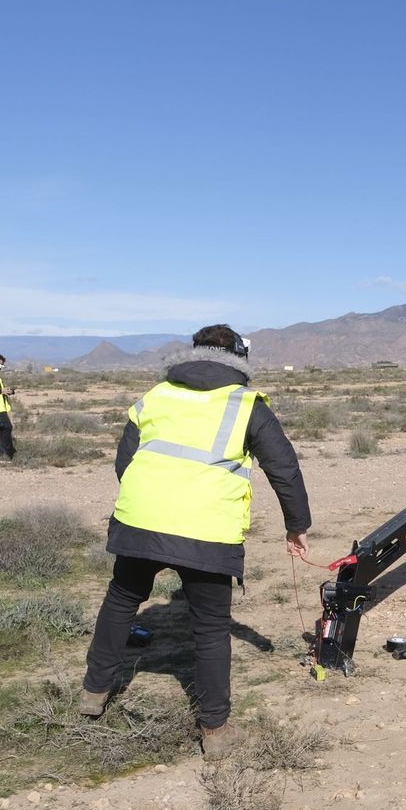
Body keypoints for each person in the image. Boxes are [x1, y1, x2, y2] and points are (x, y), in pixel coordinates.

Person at [79, 324, 311, 761]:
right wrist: (296, 524)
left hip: (140, 521)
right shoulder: (247, 404)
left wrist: (150, 501)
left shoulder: (155, 396)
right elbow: (284, 468)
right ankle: (216, 731)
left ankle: (93, 693)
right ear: (240, 357)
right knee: (209, 628)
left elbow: (125, 461)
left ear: (193, 354)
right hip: (207, 530)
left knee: (121, 602)